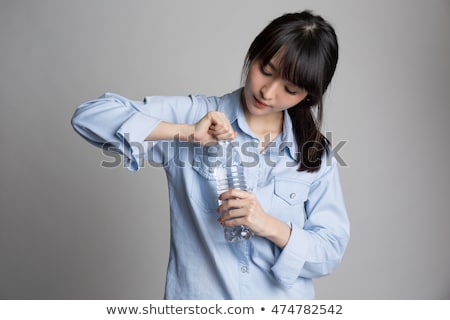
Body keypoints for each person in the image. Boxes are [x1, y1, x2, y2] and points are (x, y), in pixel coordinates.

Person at [71, 10, 350, 299]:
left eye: (289, 88)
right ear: (253, 54)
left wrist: (267, 225)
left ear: (308, 96)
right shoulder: (196, 114)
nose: (268, 92)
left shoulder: (314, 154)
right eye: (265, 70)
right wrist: (185, 132)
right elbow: (89, 117)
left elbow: (329, 250)